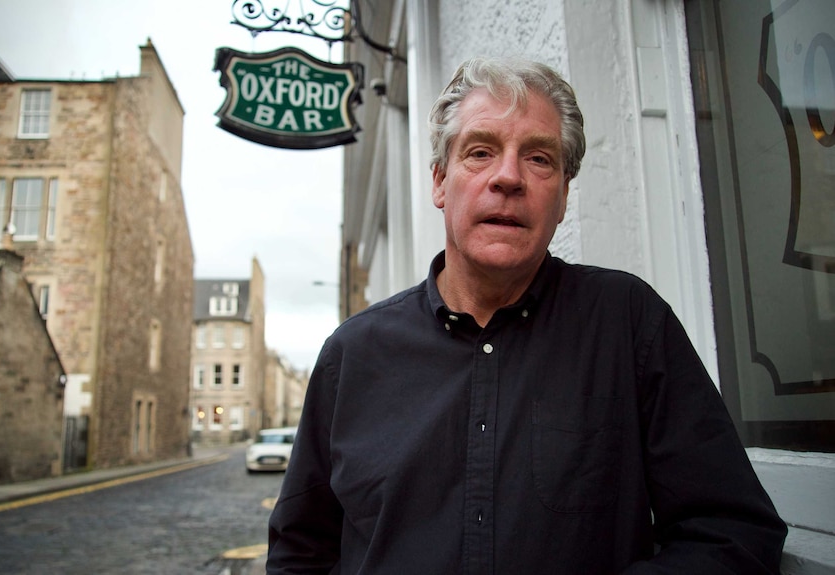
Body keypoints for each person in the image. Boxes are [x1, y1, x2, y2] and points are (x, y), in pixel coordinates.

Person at [266, 57, 787, 574]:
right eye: (480, 152)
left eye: (539, 158)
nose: (508, 178)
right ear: (440, 183)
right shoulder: (354, 354)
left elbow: (733, 532)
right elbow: (301, 553)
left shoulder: (628, 324)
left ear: (562, 197)